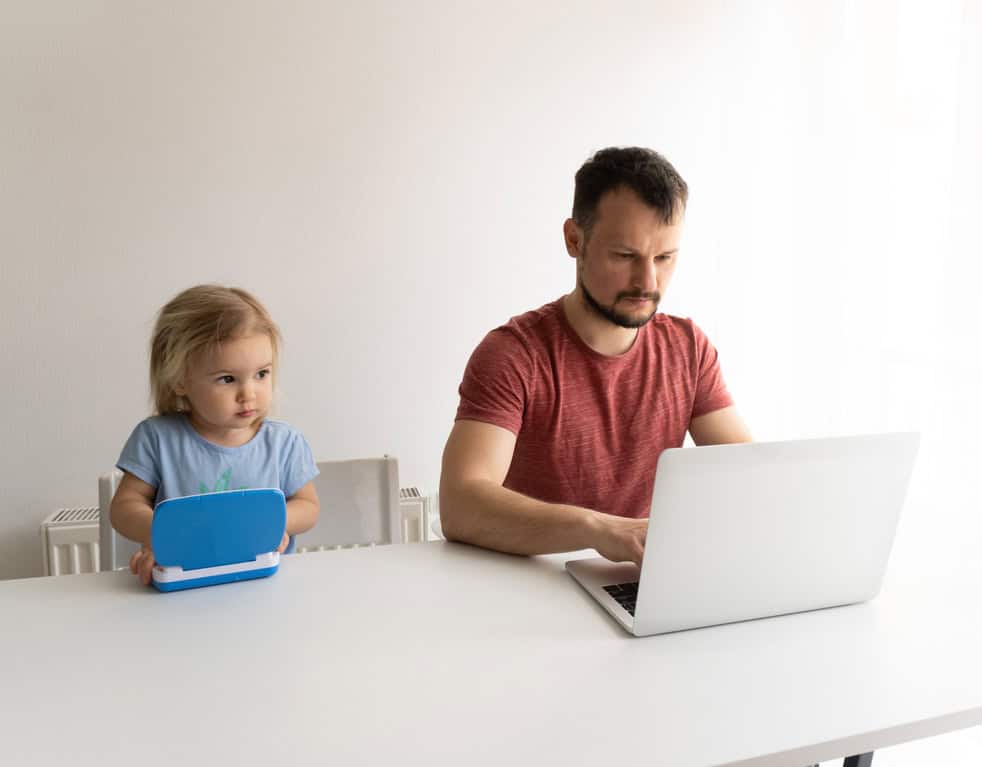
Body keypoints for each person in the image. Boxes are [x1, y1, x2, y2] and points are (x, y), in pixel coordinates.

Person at [439, 147, 751, 566]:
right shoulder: (513, 355)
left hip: (643, 586)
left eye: (665, 258)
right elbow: (460, 505)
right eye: (625, 257)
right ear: (574, 240)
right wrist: (598, 529)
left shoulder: (688, 348)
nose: (648, 281)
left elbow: (749, 477)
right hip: (532, 593)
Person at [110, 284, 320, 584]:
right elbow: (123, 507)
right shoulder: (157, 438)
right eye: (227, 379)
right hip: (183, 588)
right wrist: (164, 536)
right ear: (180, 380)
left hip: (262, 586)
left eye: (262, 374)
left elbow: (309, 506)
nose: (249, 393)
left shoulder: (285, 443)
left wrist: (272, 523)